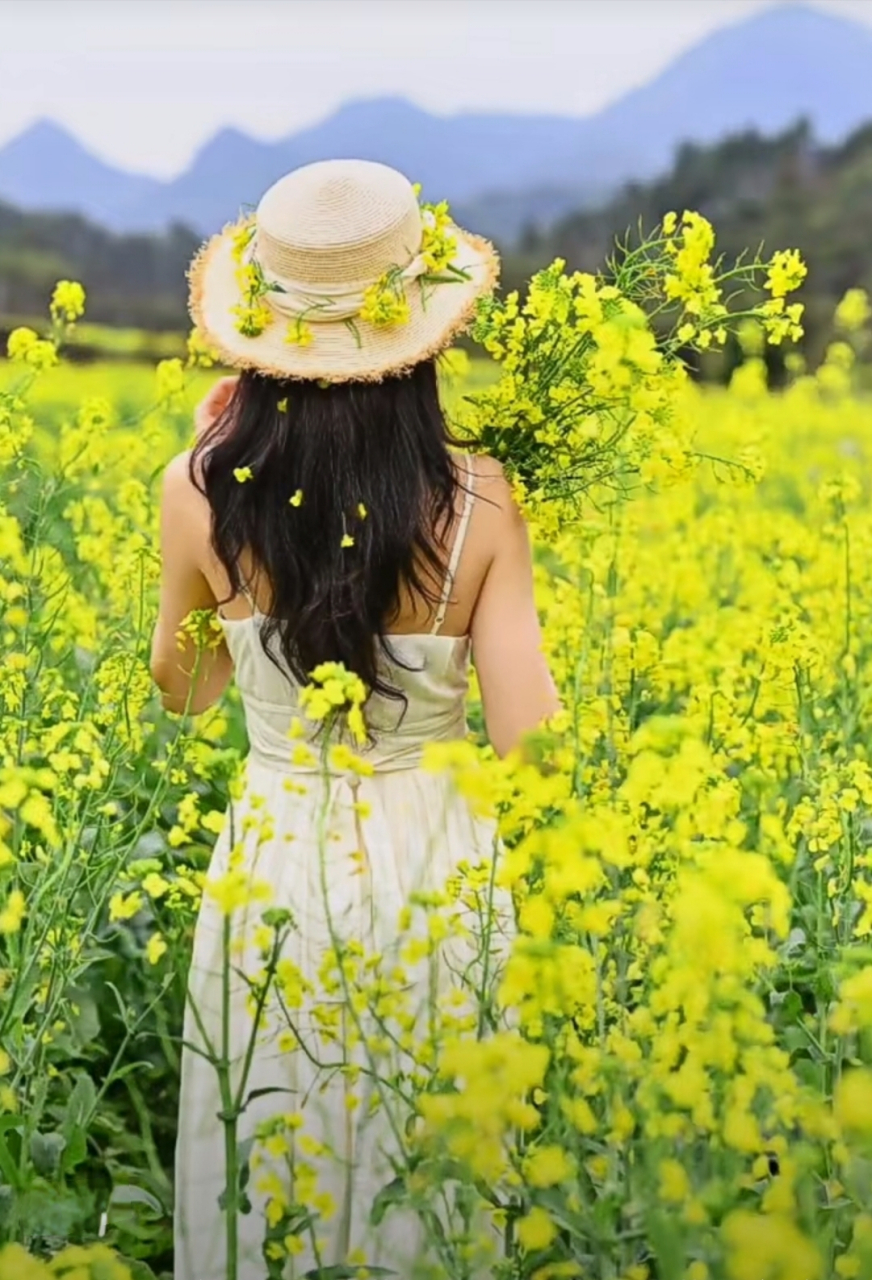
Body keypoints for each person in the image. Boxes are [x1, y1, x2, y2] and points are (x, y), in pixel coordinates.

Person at [150, 158, 559, 1280]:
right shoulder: (481, 501)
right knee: (428, 1176)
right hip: (439, 873)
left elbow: (185, 690)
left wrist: (208, 473)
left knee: (267, 1152)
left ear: (257, 342)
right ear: (420, 335)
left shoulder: (195, 487)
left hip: (271, 873)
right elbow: (532, 747)